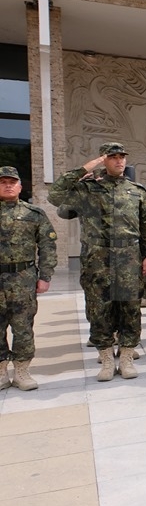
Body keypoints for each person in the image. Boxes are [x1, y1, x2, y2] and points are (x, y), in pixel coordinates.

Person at [49, 142, 146, 381]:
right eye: (113, 157)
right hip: (97, 259)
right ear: (104, 160)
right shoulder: (87, 190)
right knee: (99, 310)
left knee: (129, 309)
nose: (119, 161)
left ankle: (126, 357)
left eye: (122, 157)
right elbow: (55, 195)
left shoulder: (136, 191)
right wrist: (85, 168)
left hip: (128, 258)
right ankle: (106, 359)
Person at [0, 166, 57, 391]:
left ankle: (22, 371)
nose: (7, 185)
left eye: (12, 181)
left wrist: (45, 276)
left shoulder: (33, 214)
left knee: (23, 327)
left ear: (20, 186)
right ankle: (2, 372)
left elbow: (48, 245)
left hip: (22, 278)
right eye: (3, 181)